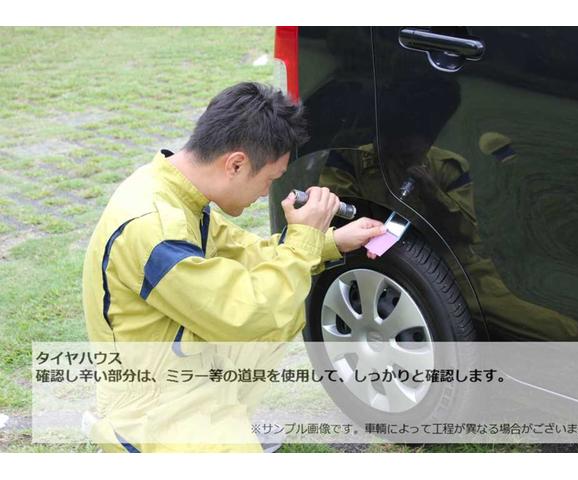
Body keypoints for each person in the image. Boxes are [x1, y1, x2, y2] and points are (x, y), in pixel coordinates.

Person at [81, 82, 386, 453]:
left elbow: (248, 253)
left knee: (283, 306)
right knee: (273, 307)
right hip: (151, 404)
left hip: (182, 364)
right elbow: (249, 313)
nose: (265, 193)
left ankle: (226, 419)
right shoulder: (154, 227)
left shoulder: (175, 192)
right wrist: (302, 240)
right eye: (269, 179)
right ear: (236, 164)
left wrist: (329, 241)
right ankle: (135, 439)